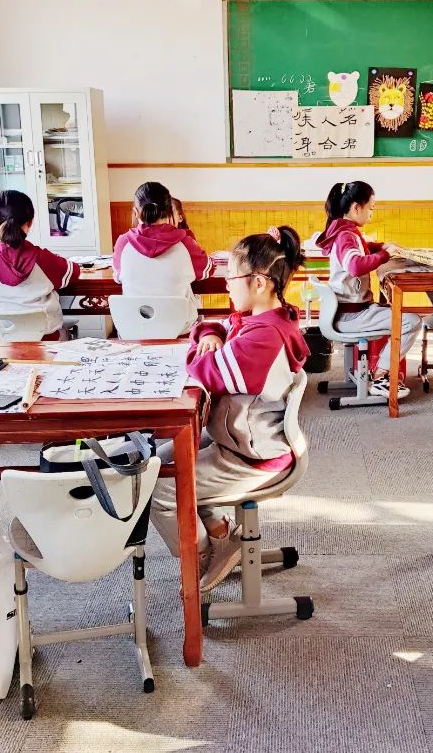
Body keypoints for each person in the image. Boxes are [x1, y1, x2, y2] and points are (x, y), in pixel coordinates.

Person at [150, 226, 309, 592]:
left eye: (231, 278)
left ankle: (206, 555)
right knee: (160, 461)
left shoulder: (264, 338)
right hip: (238, 441)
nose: (225, 285)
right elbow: (217, 327)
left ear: (259, 283)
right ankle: (221, 534)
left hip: (251, 457)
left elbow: (205, 370)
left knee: (159, 491)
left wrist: (200, 349)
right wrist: (209, 334)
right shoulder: (263, 319)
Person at [315, 181, 422, 398]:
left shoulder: (342, 231)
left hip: (347, 311)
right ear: (356, 208)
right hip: (352, 315)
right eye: (371, 208)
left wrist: (380, 247)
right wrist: (385, 255)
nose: (372, 214)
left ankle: (377, 374)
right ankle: (382, 375)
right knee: (411, 321)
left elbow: (361, 248)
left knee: (398, 315)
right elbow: (355, 265)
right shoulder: (346, 235)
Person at [0, 189, 80, 339]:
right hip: (45, 342)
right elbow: (74, 272)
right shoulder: (42, 258)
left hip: (2, 341)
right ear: (30, 221)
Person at [113, 182, 211, 333]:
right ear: (169, 211)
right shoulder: (185, 242)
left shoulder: (123, 242)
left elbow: (118, 278)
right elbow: (206, 270)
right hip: (180, 328)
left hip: (135, 328)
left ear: (136, 212)